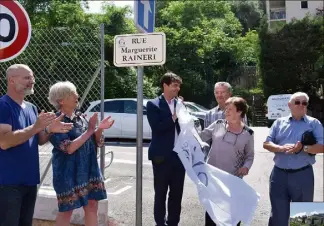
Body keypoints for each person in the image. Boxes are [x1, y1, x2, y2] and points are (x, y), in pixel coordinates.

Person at [0, 64, 73, 226]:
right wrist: (36, 127)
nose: (32, 81)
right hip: (7, 183)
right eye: (26, 77)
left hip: (30, 181)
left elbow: (39, 139)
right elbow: (4, 142)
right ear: (11, 80)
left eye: (32, 77)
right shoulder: (3, 106)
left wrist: (50, 130)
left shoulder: (32, 108)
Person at [47, 81, 114, 226]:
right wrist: (90, 130)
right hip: (67, 173)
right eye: (71, 94)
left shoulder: (81, 117)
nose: (76, 95)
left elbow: (96, 142)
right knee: (67, 210)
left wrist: (99, 129)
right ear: (61, 100)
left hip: (88, 170)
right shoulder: (55, 121)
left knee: (92, 205)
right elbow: (68, 148)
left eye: (75, 92)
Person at [263, 92, 324, 226]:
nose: (301, 105)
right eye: (297, 102)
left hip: (303, 174)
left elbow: (322, 147)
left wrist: (303, 149)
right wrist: (281, 148)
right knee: (278, 215)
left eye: (304, 103)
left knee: (304, 216)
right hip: (279, 175)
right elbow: (266, 143)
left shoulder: (314, 123)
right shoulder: (279, 122)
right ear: (289, 105)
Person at [199, 97, 254, 226]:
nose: (226, 112)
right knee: (212, 210)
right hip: (214, 176)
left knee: (232, 212)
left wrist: (246, 167)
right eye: (225, 109)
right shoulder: (218, 124)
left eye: (230, 109)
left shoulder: (248, 133)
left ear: (239, 112)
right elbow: (200, 137)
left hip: (233, 179)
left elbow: (250, 156)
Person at [146, 72, 185, 226]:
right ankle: (160, 223)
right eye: (175, 85)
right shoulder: (153, 104)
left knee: (177, 194)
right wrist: (174, 117)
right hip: (161, 157)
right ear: (165, 85)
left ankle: (173, 223)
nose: (178, 88)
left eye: (179, 85)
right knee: (161, 194)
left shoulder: (180, 104)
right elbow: (158, 128)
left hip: (179, 157)